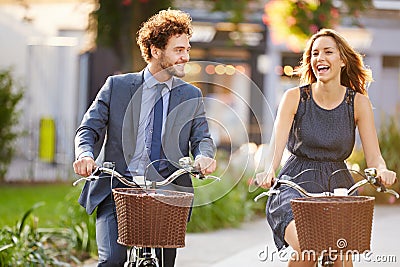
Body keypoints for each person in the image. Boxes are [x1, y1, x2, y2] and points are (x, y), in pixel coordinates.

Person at [73, 9, 217, 267]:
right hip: (116, 190)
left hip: (167, 194)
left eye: (187, 49)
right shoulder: (116, 86)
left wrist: (205, 156)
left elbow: (202, 138)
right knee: (112, 261)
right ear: (155, 51)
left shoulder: (190, 96)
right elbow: (89, 129)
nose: (186, 56)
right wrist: (85, 155)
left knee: (163, 262)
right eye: (178, 50)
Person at [255, 28, 397, 267]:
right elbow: (275, 147)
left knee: (343, 256)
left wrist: (382, 171)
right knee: (308, 245)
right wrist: (268, 170)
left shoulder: (358, 103)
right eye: (314, 53)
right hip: (295, 184)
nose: (319, 58)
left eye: (328, 52)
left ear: (342, 60)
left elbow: (375, 157)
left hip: (338, 186)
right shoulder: (295, 98)